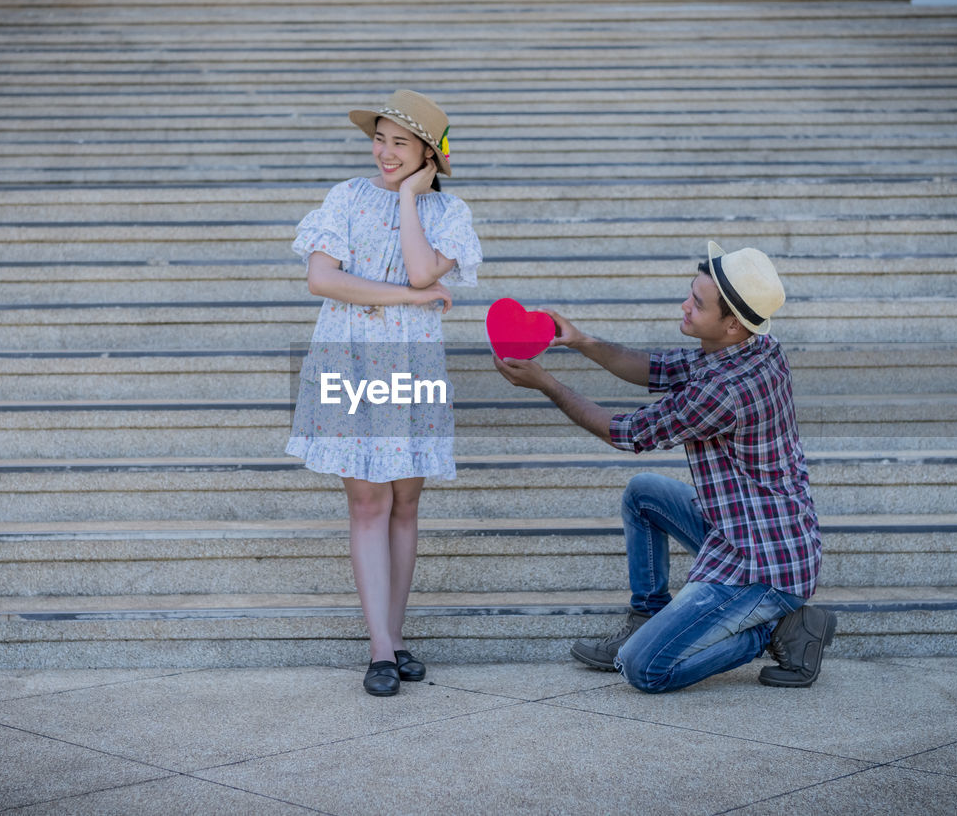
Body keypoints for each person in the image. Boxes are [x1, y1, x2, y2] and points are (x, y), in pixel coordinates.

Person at [493, 241, 835, 693]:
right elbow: (654, 367)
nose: (685, 305)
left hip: (763, 567)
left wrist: (547, 385)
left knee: (644, 668)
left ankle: (773, 630)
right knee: (644, 493)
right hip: (743, 530)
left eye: (697, 303)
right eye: (690, 294)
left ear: (732, 323)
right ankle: (646, 615)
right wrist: (581, 341)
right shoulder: (751, 347)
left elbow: (628, 432)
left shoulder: (725, 390)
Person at [286, 90, 482, 696]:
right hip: (348, 359)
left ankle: (395, 637)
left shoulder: (450, 215)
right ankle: (378, 649)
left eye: (402, 143)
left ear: (428, 153)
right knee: (367, 502)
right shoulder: (344, 197)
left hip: (412, 365)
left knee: (405, 502)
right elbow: (324, 279)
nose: (386, 151)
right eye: (381, 138)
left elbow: (424, 271)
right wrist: (407, 299)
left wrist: (406, 199)